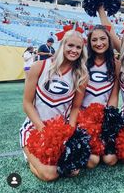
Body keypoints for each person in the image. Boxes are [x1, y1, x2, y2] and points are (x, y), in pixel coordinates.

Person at [20, 30, 88, 181]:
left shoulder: (81, 75)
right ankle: (29, 156)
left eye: (78, 47)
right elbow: (26, 103)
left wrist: (69, 131)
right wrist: (42, 129)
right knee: (50, 175)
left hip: (59, 131)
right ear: (62, 45)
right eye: (70, 45)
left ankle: (39, 159)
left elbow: (75, 107)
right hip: (34, 129)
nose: (74, 50)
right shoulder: (39, 66)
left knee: (73, 171)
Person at [82, 24, 120, 168]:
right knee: (92, 161)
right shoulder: (83, 62)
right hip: (84, 117)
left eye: (103, 39)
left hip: (104, 117)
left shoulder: (116, 64)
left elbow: (114, 95)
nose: (99, 43)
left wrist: (109, 121)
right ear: (89, 43)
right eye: (94, 40)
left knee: (110, 159)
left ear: (109, 41)